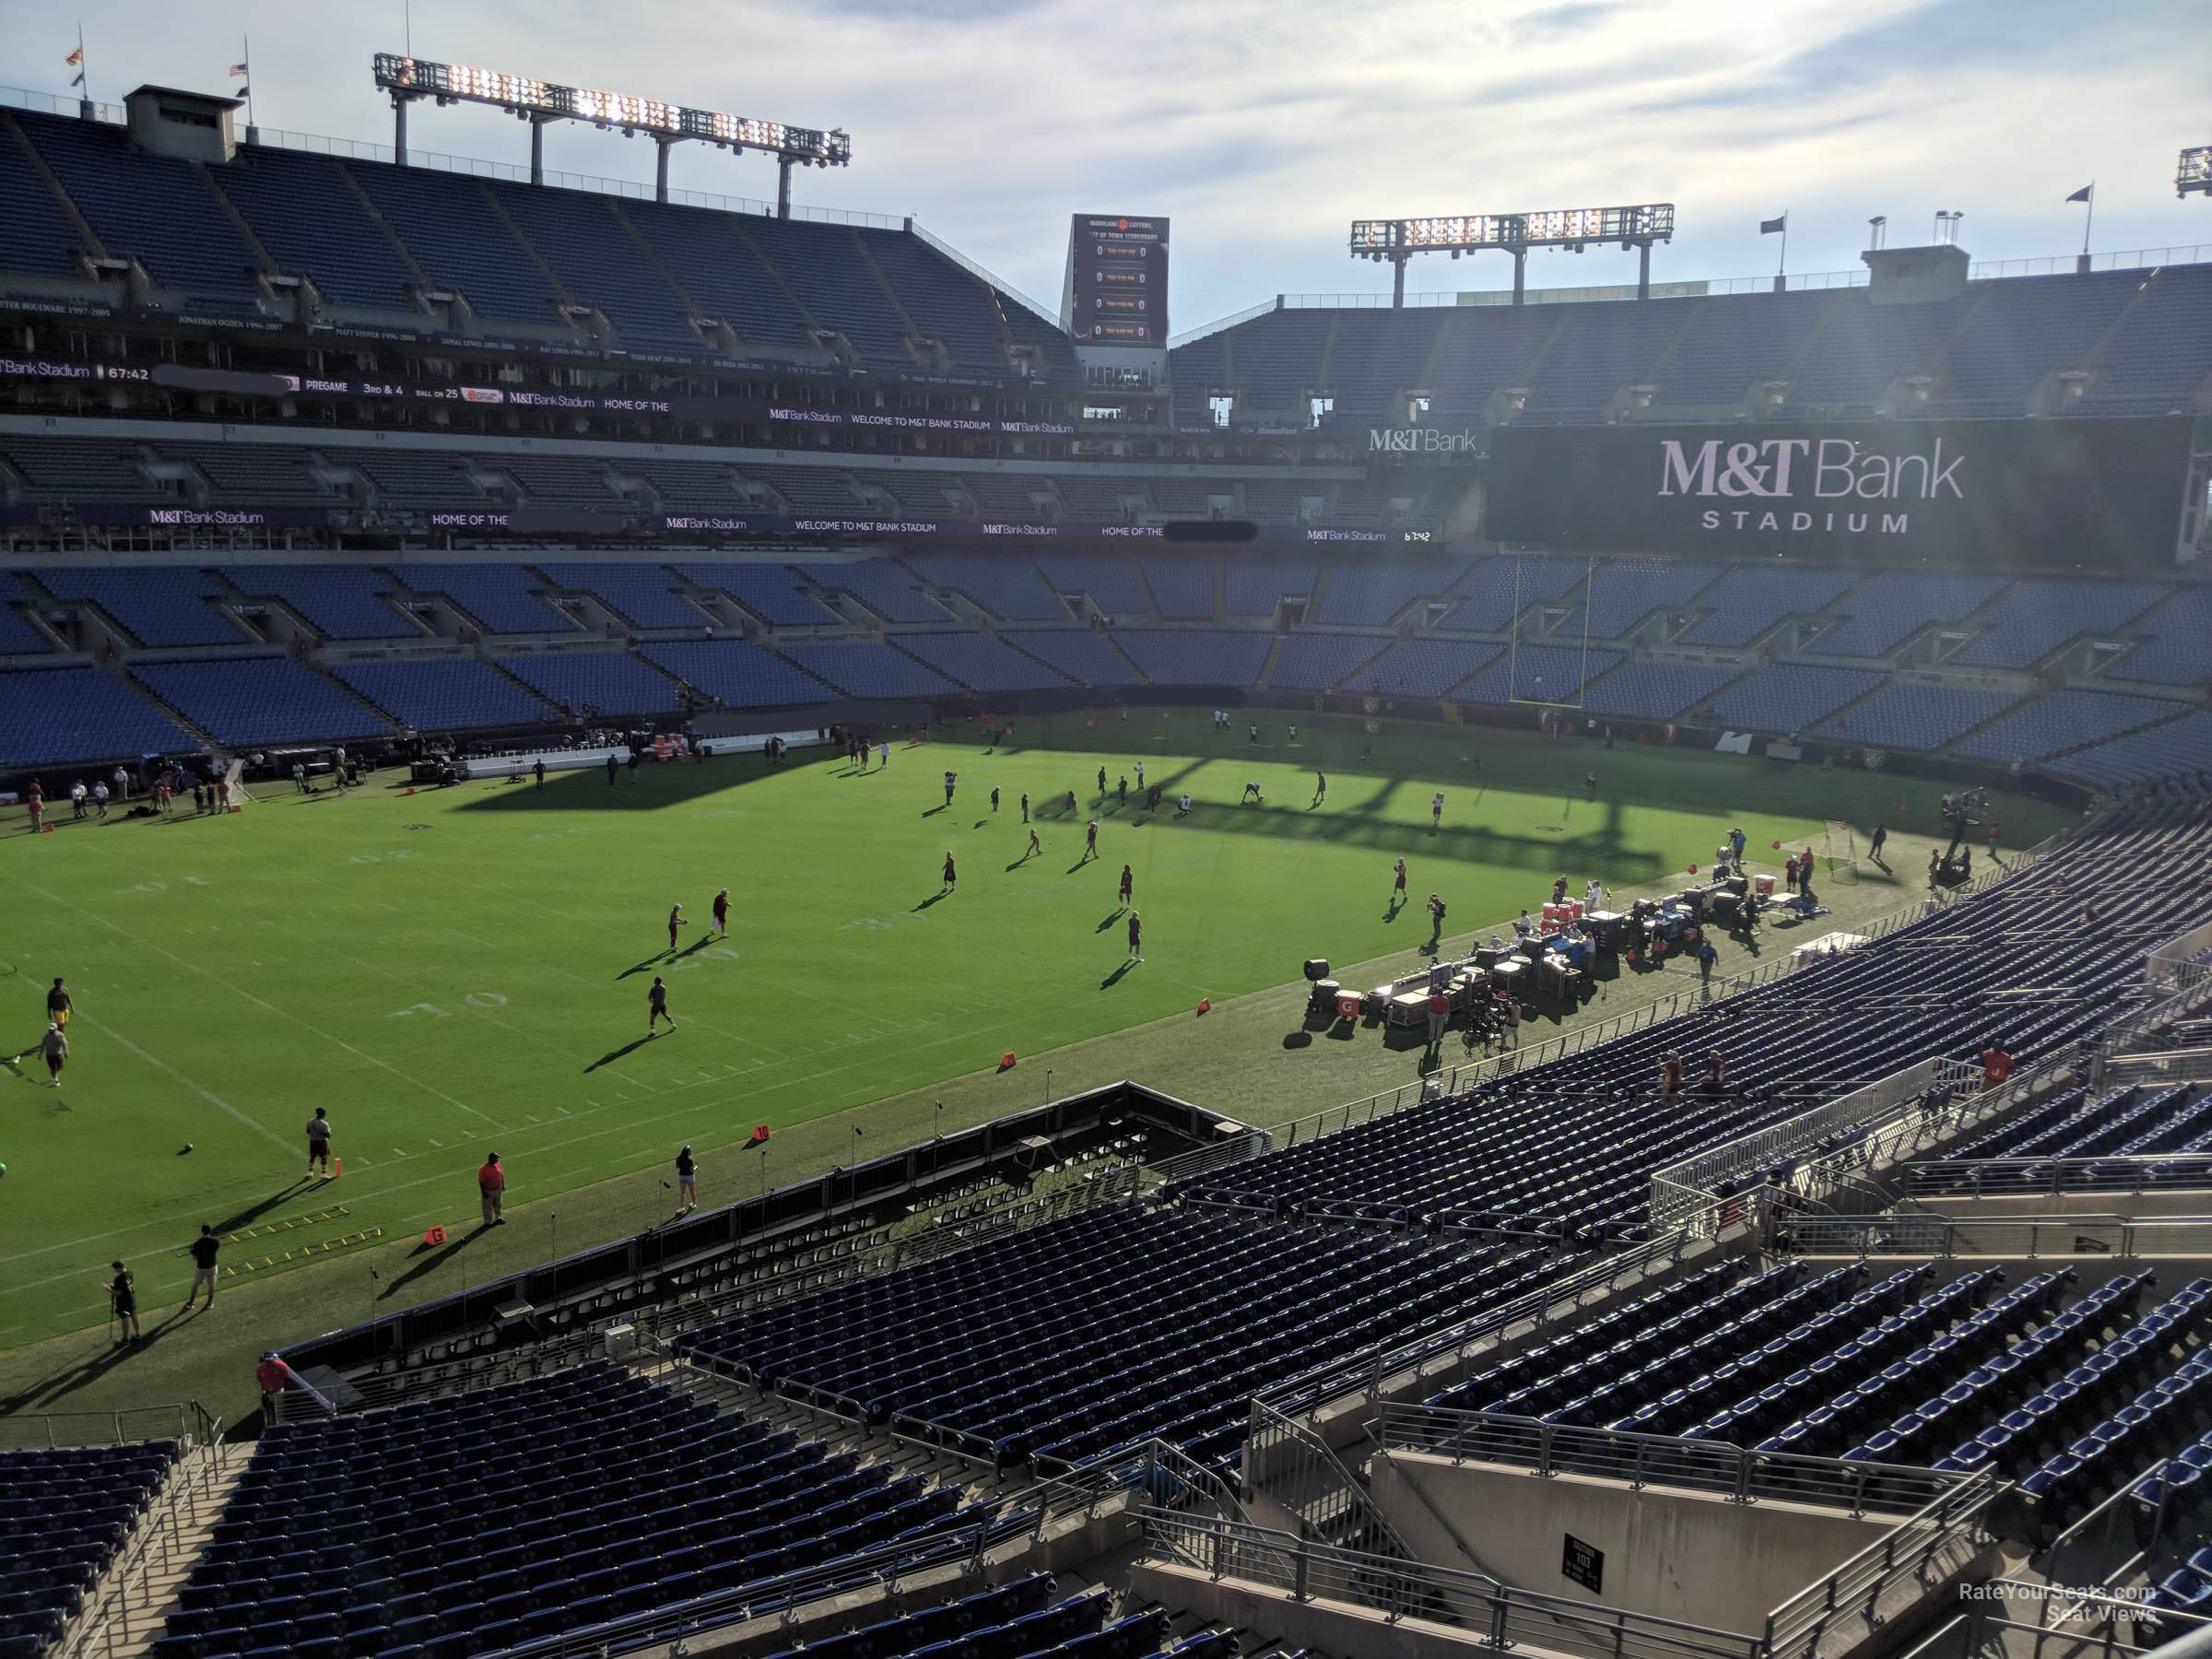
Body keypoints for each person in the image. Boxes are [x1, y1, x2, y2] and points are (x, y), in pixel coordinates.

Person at [257, 1349, 332, 1416]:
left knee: (279, 1408)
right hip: (267, 1392)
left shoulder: (281, 1366)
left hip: (278, 1391)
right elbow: (260, 1379)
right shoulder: (260, 1368)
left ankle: (279, 1421)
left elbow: (286, 1378)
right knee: (266, 1407)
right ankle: (268, 1416)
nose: (271, 1361)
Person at [182, 1225, 221, 1312]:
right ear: (210, 1231)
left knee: (196, 1285)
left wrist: (192, 1250)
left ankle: (191, 1302)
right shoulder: (216, 1242)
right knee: (211, 1285)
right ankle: (209, 1303)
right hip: (212, 1266)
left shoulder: (197, 1244)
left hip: (201, 1268)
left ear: (202, 1232)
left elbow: (194, 1258)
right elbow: (215, 1250)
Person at [109, 1262, 141, 1342]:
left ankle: (125, 1339)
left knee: (125, 1318)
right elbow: (125, 1286)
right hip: (131, 1298)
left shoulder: (118, 1279)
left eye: (115, 1269)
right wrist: (114, 1286)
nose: (114, 1270)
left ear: (119, 1268)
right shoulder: (130, 1273)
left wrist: (109, 1290)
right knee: (133, 1315)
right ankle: (137, 1334)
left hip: (123, 1301)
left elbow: (119, 1292)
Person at [478, 1153, 507, 1227]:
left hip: (498, 1189)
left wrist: (503, 1185)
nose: (497, 1159)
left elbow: (501, 1175)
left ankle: (498, 1218)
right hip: (488, 1191)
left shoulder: (498, 1164)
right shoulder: (483, 1169)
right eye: (496, 1158)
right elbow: (481, 1182)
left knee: (498, 1205)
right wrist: (484, 1192)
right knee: (487, 1207)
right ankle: (487, 1222)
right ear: (491, 1159)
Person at [305, 1107, 334, 1179]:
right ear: (323, 1114)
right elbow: (328, 1136)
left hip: (312, 1141)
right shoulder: (324, 1124)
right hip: (322, 1142)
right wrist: (329, 1130)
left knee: (312, 1157)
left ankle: (310, 1173)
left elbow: (308, 1132)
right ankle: (323, 1174)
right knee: (324, 1158)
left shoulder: (310, 1122)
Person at [38, 1021, 66, 1087]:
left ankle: (54, 1073)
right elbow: (43, 1045)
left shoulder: (60, 1035)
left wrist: (66, 1052)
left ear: (56, 1029)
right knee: (53, 1068)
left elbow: (64, 1044)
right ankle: (56, 1080)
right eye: (50, 1029)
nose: (50, 1030)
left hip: (58, 1054)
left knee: (61, 1066)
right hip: (50, 1055)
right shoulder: (46, 1036)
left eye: (52, 1029)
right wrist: (40, 1054)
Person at [675, 1145, 698, 1214]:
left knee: (683, 1193)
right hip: (690, 1177)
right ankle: (694, 1204)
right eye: (690, 1150)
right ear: (687, 1152)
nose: (692, 1151)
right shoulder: (690, 1160)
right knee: (692, 1191)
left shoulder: (679, 1158)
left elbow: (677, 1166)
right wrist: (696, 1167)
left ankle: (682, 1208)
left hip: (682, 1176)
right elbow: (692, 1170)